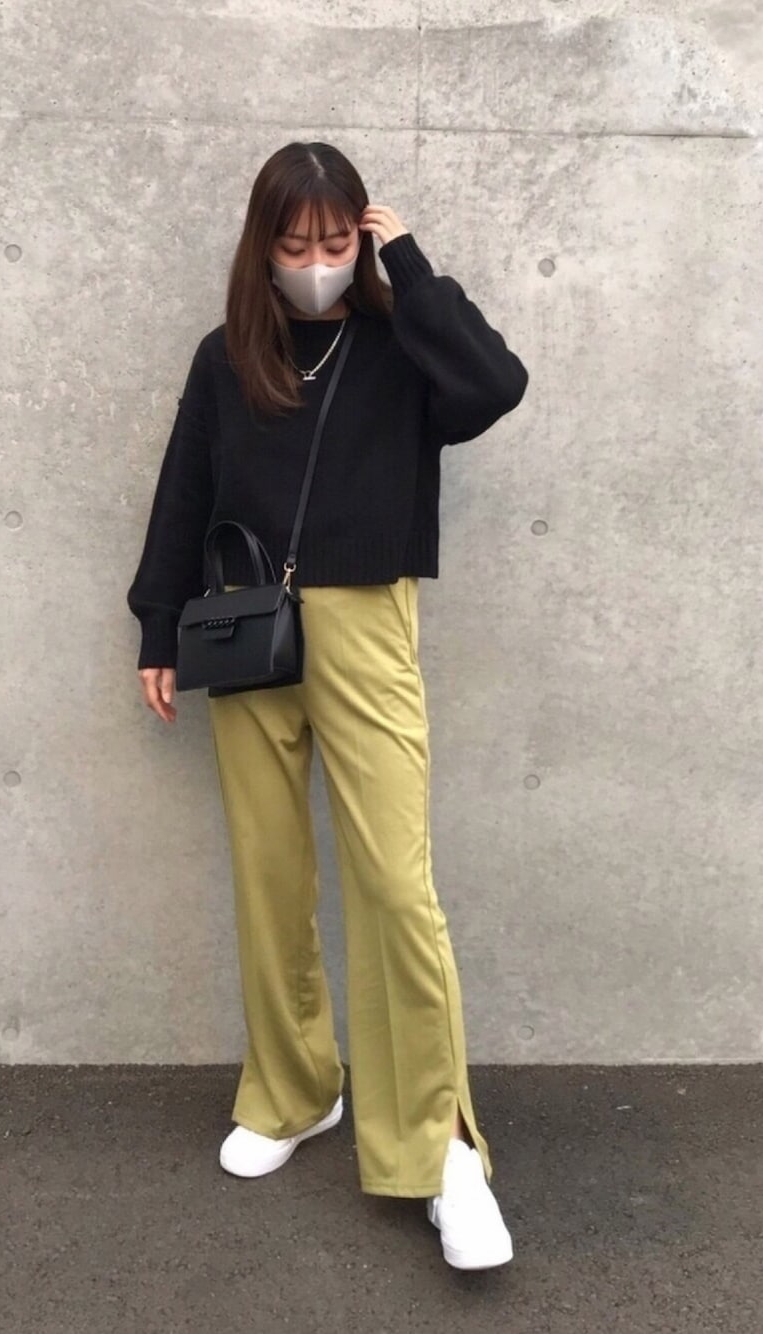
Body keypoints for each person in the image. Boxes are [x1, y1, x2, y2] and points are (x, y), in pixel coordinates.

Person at [127, 141, 528, 1270]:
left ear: (363, 236)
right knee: (269, 872)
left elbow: (494, 386)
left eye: (337, 240)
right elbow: (185, 486)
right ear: (262, 246)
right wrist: (157, 623)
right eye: (295, 244)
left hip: (364, 622)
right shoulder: (227, 355)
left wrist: (413, 265)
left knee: (395, 885)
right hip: (242, 621)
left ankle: (440, 1149)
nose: (315, 263)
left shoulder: (403, 343)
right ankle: (296, 1088)